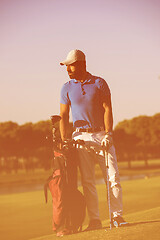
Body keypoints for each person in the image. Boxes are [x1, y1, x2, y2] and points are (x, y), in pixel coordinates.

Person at [59, 49, 128, 231]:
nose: (68, 69)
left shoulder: (99, 83)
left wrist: (108, 134)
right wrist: (64, 139)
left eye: (71, 65)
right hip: (80, 138)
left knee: (112, 177)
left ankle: (116, 217)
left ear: (82, 64)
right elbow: (63, 116)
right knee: (88, 182)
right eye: (66, 66)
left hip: (101, 135)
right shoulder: (66, 87)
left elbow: (107, 109)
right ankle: (95, 221)